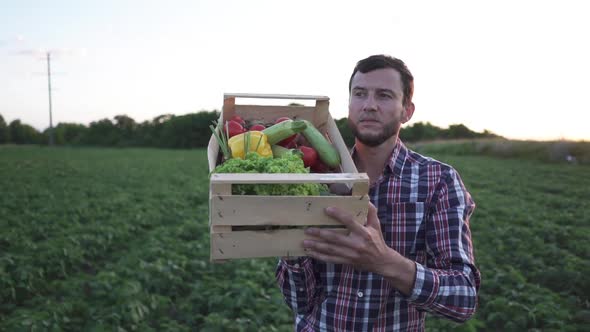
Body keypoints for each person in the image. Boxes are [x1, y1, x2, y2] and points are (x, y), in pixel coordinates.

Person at [276, 54, 480, 331]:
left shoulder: (438, 180)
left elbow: (463, 297)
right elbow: (300, 301)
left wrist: (384, 261)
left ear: (407, 110)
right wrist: (291, 242)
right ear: (349, 105)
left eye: (384, 96)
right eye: (360, 94)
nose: (369, 105)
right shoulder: (314, 179)